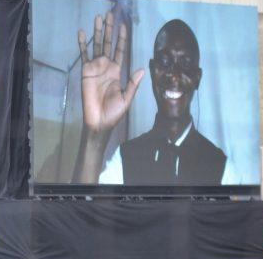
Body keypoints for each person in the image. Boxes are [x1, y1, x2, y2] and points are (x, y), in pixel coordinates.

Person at [74, 14, 227, 186]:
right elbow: (82, 210)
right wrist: (94, 135)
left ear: (197, 78)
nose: (174, 76)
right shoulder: (125, 158)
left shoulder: (222, 167)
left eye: (185, 64)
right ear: (153, 71)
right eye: (164, 61)